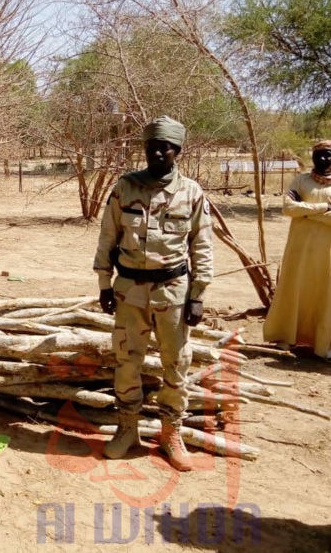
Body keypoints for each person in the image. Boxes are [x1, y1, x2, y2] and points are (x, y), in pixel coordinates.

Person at [93, 115, 214, 471]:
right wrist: (104, 284)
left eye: (165, 147)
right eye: (152, 146)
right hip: (130, 292)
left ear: (177, 151)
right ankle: (127, 430)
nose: (158, 152)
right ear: (144, 149)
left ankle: (170, 435)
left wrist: (198, 294)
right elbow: (107, 238)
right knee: (126, 363)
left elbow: (202, 246)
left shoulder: (191, 192)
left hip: (174, 292)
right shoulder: (124, 188)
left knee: (176, 366)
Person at [263, 140, 331, 362]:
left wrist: (306, 210)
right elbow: (288, 208)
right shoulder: (300, 181)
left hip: (329, 253)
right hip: (299, 250)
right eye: (318, 154)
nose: (323, 159)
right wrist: (322, 207)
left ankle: (324, 345)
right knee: (293, 290)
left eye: (329, 155)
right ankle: (285, 338)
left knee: (326, 295)